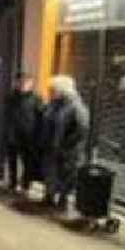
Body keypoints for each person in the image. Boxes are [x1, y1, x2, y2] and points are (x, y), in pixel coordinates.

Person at [40, 75, 90, 212]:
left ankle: (62, 201)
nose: (51, 92)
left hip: (68, 150)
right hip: (53, 147)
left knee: (66, 175)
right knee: (52, 172)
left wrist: (66, 144)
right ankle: (49, 197)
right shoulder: (55, 104)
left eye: (53, 89)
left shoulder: (76, 106)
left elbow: (81, 129)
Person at [5, 72, 44, 194]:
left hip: (28, 136)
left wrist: (37, 135)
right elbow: (7, 115)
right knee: (12, 160)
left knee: (27, 161)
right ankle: (12, 183)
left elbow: (40, 117)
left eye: (26, 82)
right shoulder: (11, 98)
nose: (22, 85)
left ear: (31, 83)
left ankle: (25, 185)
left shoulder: (36, 99)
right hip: (13, 134)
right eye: (20, 82)